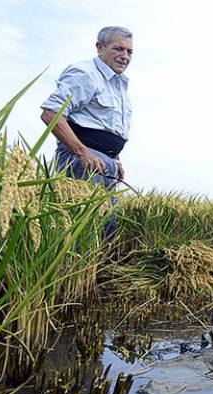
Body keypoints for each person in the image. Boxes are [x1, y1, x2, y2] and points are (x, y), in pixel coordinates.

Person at [41, 26, 133, 238]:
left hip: (105, 164)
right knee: (85, 229)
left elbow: (105, 126)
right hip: (83, 162)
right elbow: (51, 113)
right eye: (119, 49)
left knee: (106, 227)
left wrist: (115, 159)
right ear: (100, 48)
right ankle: (75, 271)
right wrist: (82, 152)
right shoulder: (86, 73)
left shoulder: (118, 84)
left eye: (129, 51)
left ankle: (96, 271)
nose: (125, 56)